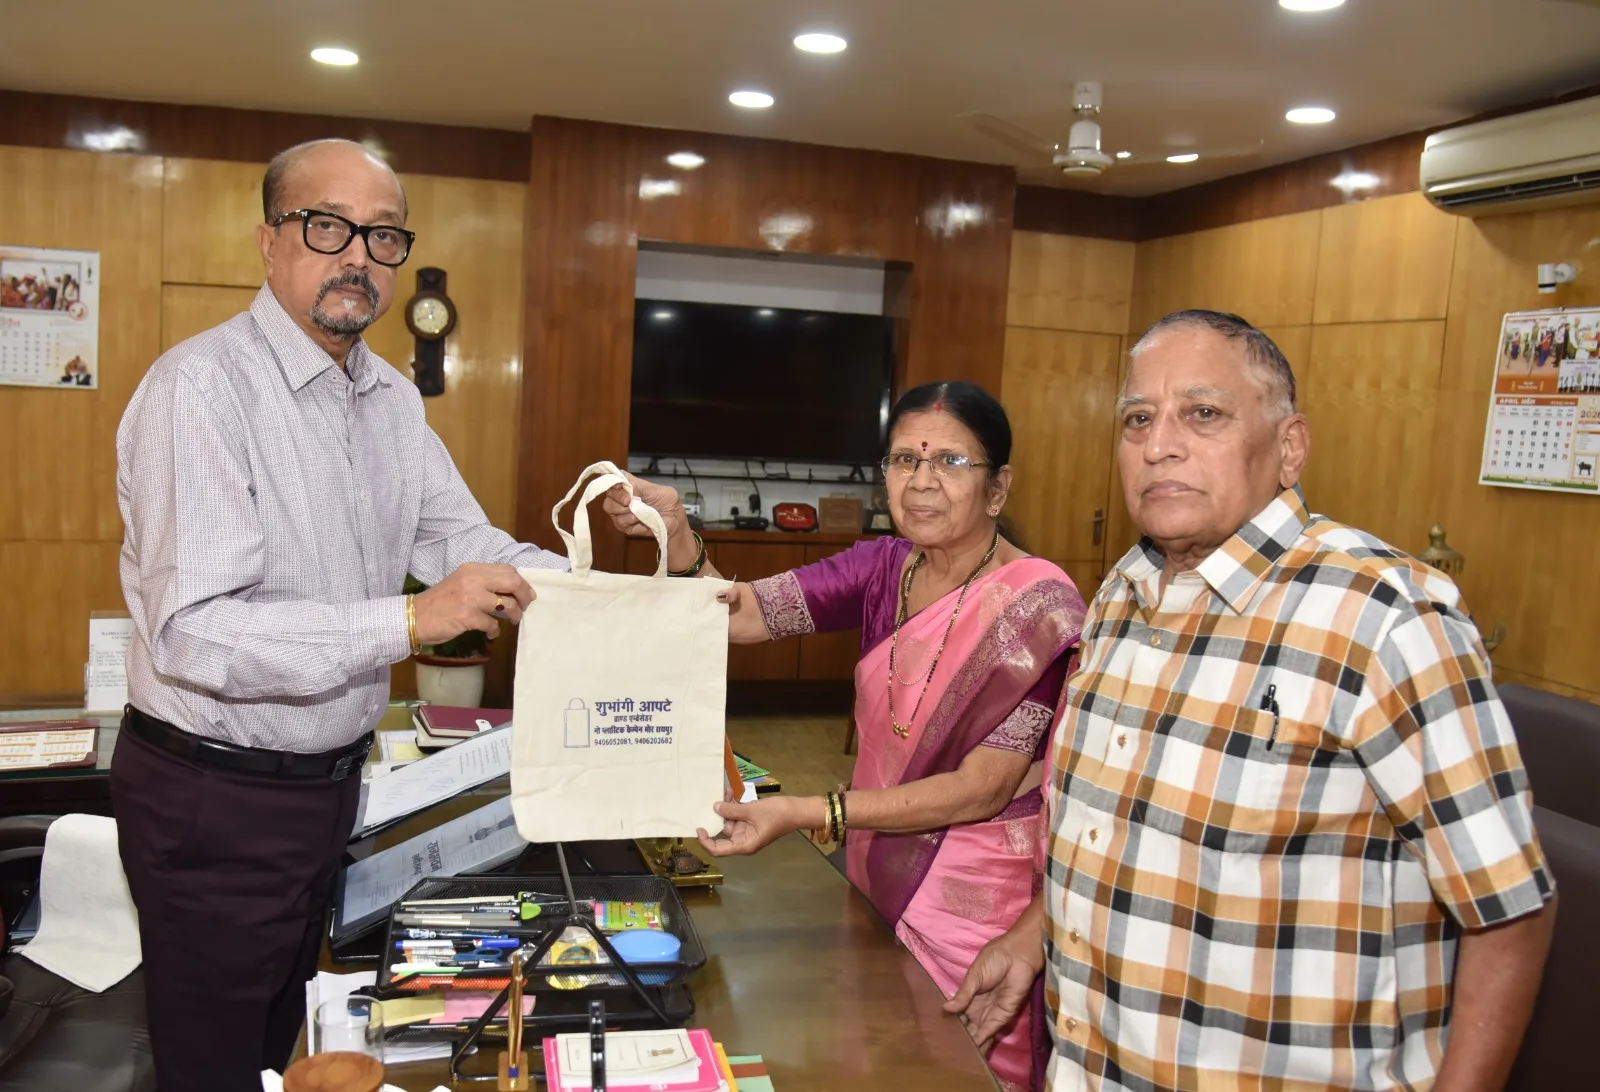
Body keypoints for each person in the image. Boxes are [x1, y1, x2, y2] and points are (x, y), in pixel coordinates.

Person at [947, 310, 1555, 1091]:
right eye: (1138, 419)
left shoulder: (1384, 619)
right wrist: (1033, 937)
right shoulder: (1121, 598)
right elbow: (1123, 832)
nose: (1159, 445)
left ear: (1289, 447)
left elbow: (1509, 907)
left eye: (1203, 414)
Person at [112, 138, 566, 1092]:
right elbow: (193, 631)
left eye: (384, 236)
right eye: (328, 227)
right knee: (212, 1067)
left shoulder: (392, 399)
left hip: (329, 793)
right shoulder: (200, 390)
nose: (358, 256)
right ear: (268, 240)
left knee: (281, 1043)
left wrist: (631, 590)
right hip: (215, 802)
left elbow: (464, 545)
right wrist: (405, 623)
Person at [610, 381, 1088, 1092]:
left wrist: (809, 811)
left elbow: (980, 790)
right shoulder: (881, 568)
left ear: (998, 487)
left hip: (976, 906)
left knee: (957, 1073)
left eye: (951, 462)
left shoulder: (1036, 607)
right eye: (904, 460)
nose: (921, 481)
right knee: (875, 1062)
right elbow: (740, 615)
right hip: (873, 870)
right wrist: (678, 533)